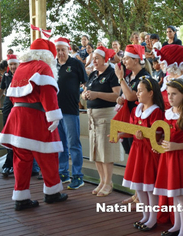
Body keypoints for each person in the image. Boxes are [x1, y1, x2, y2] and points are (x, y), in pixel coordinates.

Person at [0, 38, 68, 211]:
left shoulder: (20, 68)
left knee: (21, 159)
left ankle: (21, 198)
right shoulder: (43, 67)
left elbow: (12, 97)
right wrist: (54, 116)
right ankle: (52, 193)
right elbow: (48, 94)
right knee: (48, 156)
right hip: (36, 117)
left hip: (17, 117)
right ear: (47, 55)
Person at [154, 78, 183, 236]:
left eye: (174, 94)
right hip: (169, 159)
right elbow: (166, 136)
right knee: (174, 193)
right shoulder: (168, 114)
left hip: (182, 159)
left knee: (181, 195)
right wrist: (160, 144)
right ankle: (177, 226)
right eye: (168, 94)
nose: (170, 97)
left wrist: (176, 146)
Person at [115, 77, 164, 231]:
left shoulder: (156, 111)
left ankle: (153, 218)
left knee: (149, 187)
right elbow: (132, 130)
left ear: (150, 93)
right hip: (137, 151)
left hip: (149, 153)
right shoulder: (137, 109)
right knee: (140, 187)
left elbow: (159, 134)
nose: (137, 93)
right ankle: (145, 215)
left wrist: (147, 135)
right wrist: (120, 134)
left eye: (140, 90)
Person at [115, 44, 152, 208]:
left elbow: (131, 96)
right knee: (133, 158)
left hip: (142, 124)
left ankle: (141, 197)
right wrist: (120, 99)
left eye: (127, 58)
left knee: (139, 160)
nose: (123, 61)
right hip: (132, 121)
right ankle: (137, 194)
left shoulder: (144, 77)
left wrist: (120, 78)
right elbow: (126, 96)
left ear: (136, 60)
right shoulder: (132, 77)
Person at [81, 46, 121, 196]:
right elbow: (86, 90)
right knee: (96, 151)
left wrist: (97, 94)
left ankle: (108, 182)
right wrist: (85, 95)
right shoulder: (93, 75)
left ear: (105, 59)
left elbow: (116, 95)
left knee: (106, 151)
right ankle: (102, 180)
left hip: (106, 115)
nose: (94, 61)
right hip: (93, 117)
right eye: (93, 58)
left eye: (97, 58)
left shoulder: (112, 74)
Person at [54, 37, 88, 190]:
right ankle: (63, 173)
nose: (60, 53)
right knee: (60, 144)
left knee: (74, 144)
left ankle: (77, 176)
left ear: (68, 50)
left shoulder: (76, 64)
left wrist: (86, 94)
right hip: (55, 111)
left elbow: (86, 82)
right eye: (58, 50)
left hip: (70, 110)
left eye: (63, 50)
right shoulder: (52, 65)